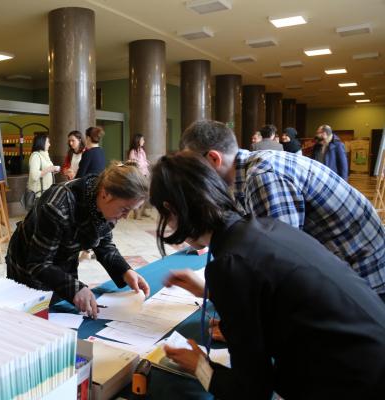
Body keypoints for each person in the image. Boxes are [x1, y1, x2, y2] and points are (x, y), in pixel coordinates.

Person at [150, 152, 385, 400]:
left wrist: (199, 365)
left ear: (170, 210)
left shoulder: (230, 264)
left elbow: (251, 392)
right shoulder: (266, 228)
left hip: (355, 384)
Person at [179, 120, 385, 299]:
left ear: (214, 159)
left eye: (194, 169)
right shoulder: (254, 168)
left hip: (366, 284)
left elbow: (281, 270)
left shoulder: (262, 176)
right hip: (353, 274)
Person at [6, 162, 150, 318]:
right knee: (32, 317)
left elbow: (103, 243)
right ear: (105, 194)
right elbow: (39, 263)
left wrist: (125, 271)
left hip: (61, 262)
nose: (126, 216)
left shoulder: (102, 203)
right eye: (124, 209)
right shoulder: (58, 205)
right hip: (27, 263)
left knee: (62, 311)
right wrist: (75, 289)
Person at [28, 133, 59, 199]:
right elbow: (34, 176)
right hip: (39, 194)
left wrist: (52, 171)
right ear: (42, 142)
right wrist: (49, 169)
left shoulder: (45, 155)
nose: (49, 144)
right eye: (48, 142)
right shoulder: (35, 156)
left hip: (46, 192)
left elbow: (45, 171)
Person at [127, 133, 151, 219]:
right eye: (142, 140)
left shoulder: (142, 151)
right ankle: (137, 213)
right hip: (138, 176)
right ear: (138, 141)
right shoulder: (133, 152)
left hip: (144, 175)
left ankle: (142, 211)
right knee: (138, 194)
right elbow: (132, 164)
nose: (144, 141)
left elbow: (144, 163)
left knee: (145, 194)